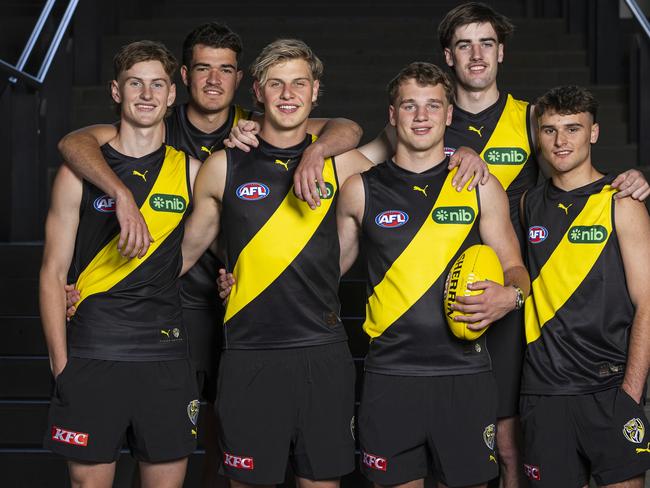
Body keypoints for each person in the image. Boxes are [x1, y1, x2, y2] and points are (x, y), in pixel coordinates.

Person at [58, 22, 362, 487]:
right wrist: (98, 289)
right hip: (168, 308)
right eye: (203, 69)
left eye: (225, 70)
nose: (214, 80)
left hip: (234, 308)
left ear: (242, 81)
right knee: (193, 442)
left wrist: (315, 154)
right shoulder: (156, 120)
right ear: (183, 77)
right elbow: (74, 142)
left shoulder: (256, 128)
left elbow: (349, 129)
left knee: (220, 439)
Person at [358, 4, 650, 485]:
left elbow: (576, 169)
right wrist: (314, 146)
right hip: (439, 297)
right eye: (465, 45)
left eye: (487, 43)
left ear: (501, 52)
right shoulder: (426, 116)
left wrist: (634, 177)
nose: (477, 56)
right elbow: (357, 158)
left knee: (511, 444)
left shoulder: (533, 115)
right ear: (447, 57)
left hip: (516, 292)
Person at [180, 38, 375, 488]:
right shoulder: (223, 166)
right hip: (249, 355)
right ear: (258, 93)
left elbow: (413, 182)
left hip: (321, 354)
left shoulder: (343, 164)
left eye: (299, 84)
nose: (288, 94)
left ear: (315, 91)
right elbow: (188, 251)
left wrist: (459, 156)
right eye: (276, 84)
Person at [334, 61, 529, 488]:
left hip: (464, 374)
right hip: (391, 375)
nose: (421, 117)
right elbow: (324, 273)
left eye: (432, 106)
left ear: (449, 115)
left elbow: (516, 269)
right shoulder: (360, 188)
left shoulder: (479, 185)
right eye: (409, 106)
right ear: (392, 114)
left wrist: (509, 297)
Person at [40, 41, 201, 488]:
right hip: (93, 354)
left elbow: (230, 240)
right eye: (135, 83)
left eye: (157, 85)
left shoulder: (193, 172)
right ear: (116, 91)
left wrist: (230, 277)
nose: (146, 94)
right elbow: (53, 271)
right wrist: (61, 367)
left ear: (172, 95)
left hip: (165, 357)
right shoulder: (77, 172)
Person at [520, 85, 650, 487]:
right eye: (549, 130)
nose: (561, 141)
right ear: (537, 136)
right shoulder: (527, 205)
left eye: (573, 128)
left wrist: (629, 393)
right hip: (544, 395)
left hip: (610, 389)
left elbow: (647, 301)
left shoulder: (621, 202)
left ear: (593, 133)